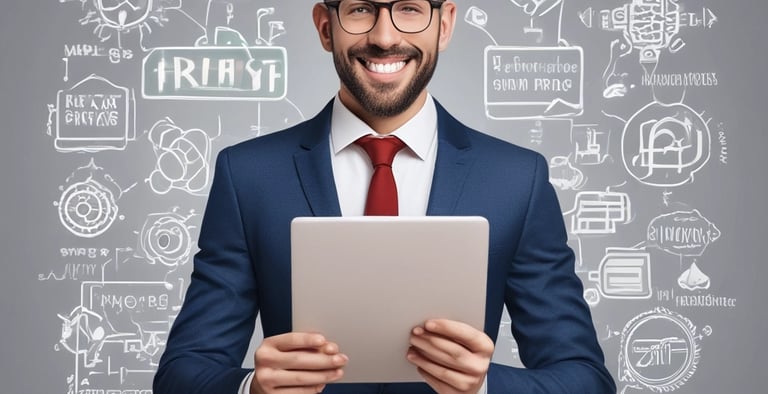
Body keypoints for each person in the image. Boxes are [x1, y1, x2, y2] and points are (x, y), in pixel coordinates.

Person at [153, 1, 616, 393]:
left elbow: (585, 379)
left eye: (408, 9)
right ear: (324, 26)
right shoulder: (248, 175)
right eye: (361, 9)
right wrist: (251, 387)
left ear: (446, 23)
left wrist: (486, 386)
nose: (384, 36)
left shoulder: (517, 178)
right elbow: (181, 373)